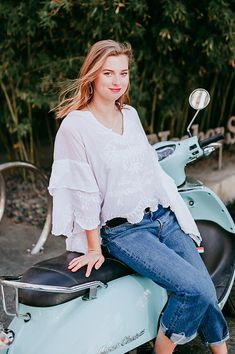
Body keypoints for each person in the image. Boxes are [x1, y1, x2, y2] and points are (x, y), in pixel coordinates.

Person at [48, 39, 229, 354]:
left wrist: (182, 220)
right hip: (126, 231)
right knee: (194, 290)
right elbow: (83, 191)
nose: (118, 81)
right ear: (91, 75)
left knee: (207, 291)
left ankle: (220, 350)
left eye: (124, 73)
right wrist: (93, 247)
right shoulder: (75, 127)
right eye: (108, 73)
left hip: (163, 217)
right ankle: (164, 344)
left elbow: (148, 169)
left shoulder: (129, 114)